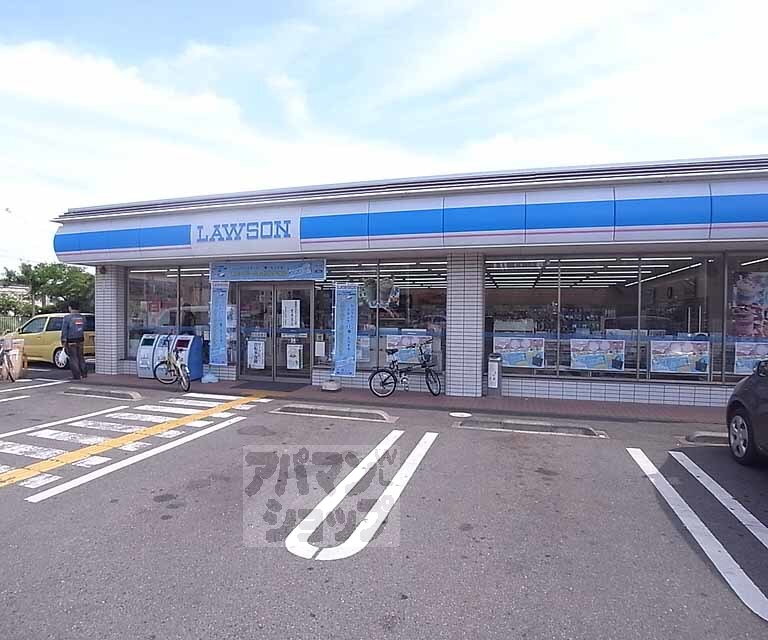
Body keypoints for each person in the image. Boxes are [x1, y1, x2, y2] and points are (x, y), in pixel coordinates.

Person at [61, 300, 88, 380]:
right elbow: (85, 327)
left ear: (70, 308)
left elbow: (64, 330)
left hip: (71, 340)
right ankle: (84, 374)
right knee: (81, 357)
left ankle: (76, 375)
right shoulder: (82, 317)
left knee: (73, 358)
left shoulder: (67, 318)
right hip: (80, 339)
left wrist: (63, 341)